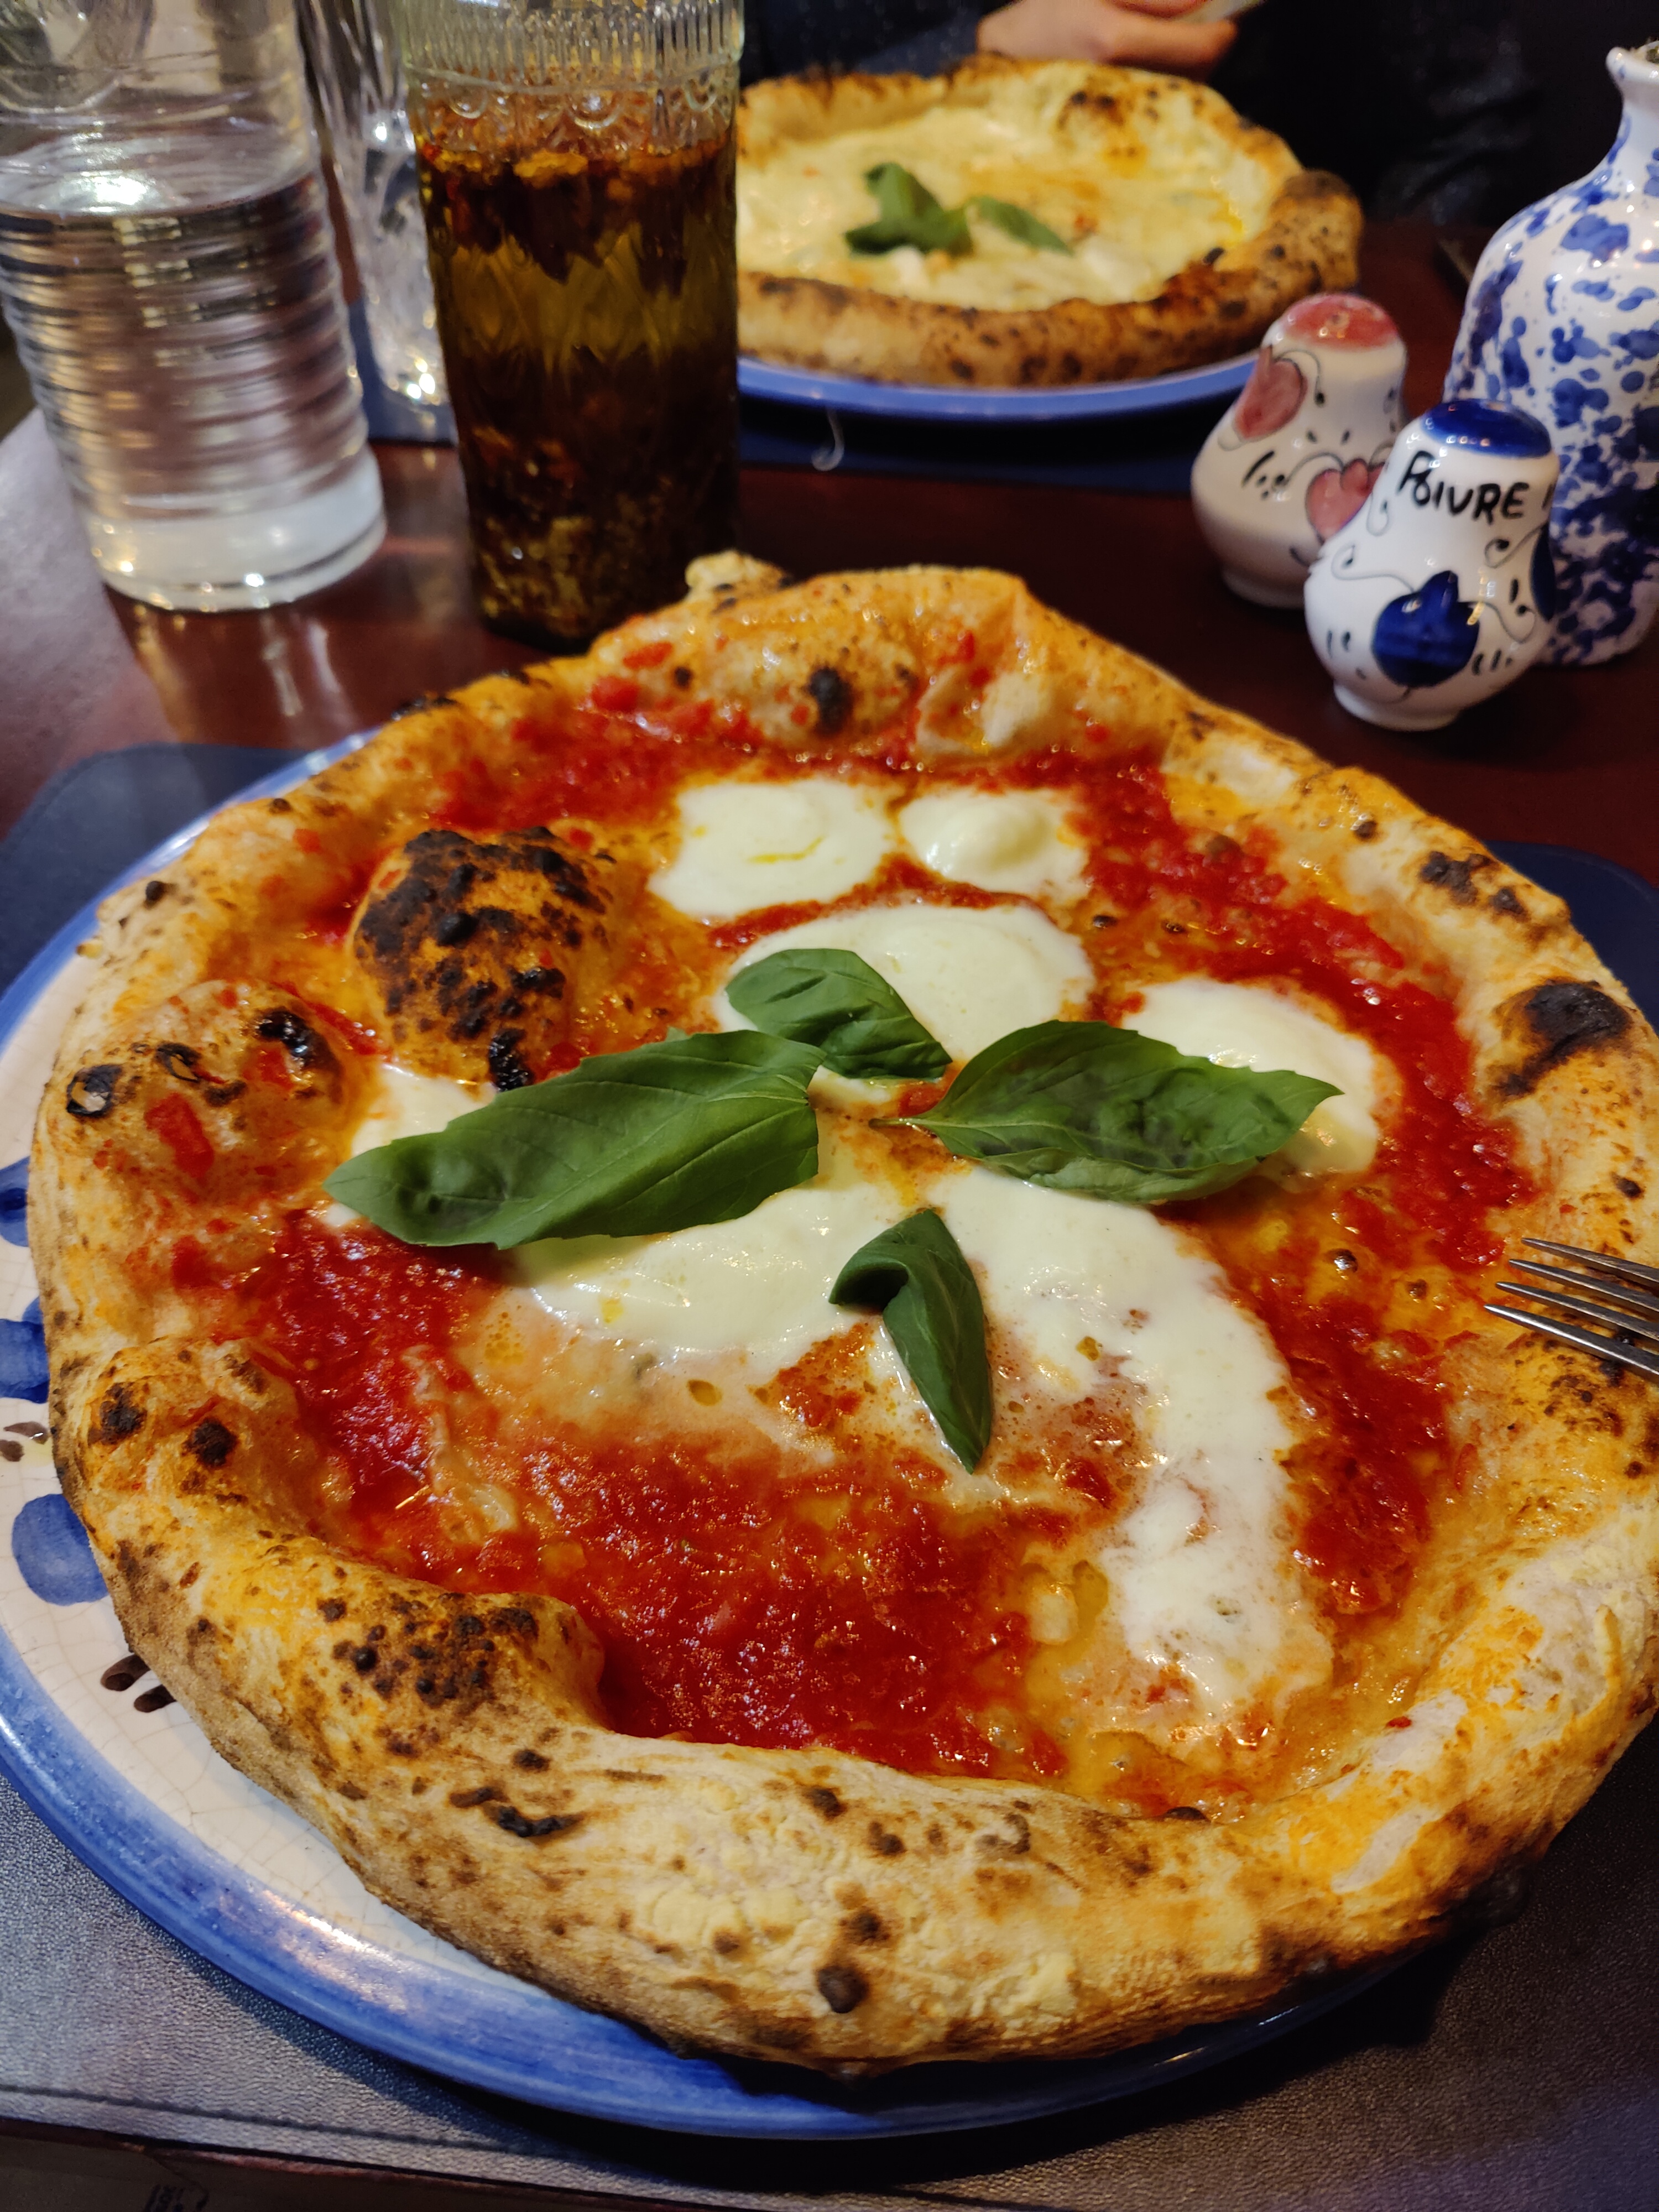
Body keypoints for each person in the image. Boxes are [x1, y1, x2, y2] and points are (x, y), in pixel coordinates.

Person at [740, 0, 1540, 226]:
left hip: (1233, 370)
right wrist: (977, 59)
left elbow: (1472, 124)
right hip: (787, 301)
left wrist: (1342, 336)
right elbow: (685, 112)